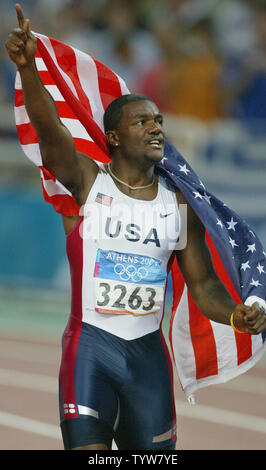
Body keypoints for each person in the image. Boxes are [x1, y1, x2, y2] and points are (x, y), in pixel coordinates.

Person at [5, 5, 266, 451]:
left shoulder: (179, 203)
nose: (155, 128)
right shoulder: (88, 182)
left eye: (159, 121)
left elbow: (203, 288)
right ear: (114, 137)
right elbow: (50, 132)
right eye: (141, 121)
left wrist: (236, 315)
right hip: (90, 350)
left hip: (147, 358)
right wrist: (30, 69)